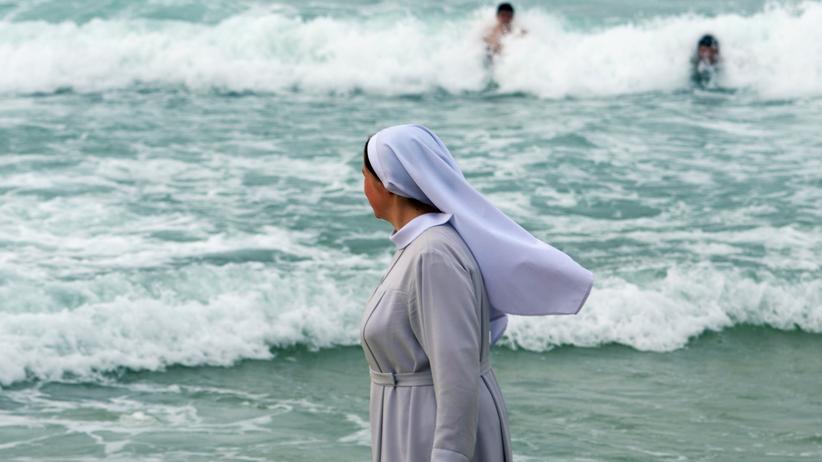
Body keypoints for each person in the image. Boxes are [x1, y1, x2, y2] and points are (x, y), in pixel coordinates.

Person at [360, 124, 593, 462]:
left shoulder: (432, 254)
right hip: (410, 419)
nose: (363, 187)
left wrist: (449, 454)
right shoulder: (417, 248)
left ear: (388, 183)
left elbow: (457, 368)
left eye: (365, 175)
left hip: (428, 428)